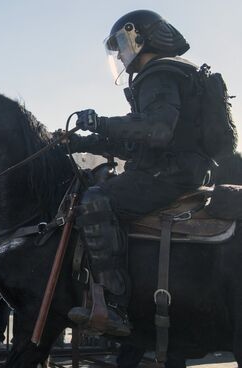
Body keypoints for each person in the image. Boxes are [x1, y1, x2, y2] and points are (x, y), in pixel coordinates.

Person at [63, 10, 213, 336]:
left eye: (121, 44)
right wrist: (85, 141)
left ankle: (114, 306)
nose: (119, 54)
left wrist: (101, 123)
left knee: (94, 200)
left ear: (139, 37)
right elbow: (141, 144)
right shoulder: (168, 74)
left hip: (170, 175)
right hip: (175, 169)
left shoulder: (158, 73)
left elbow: (157, 131)